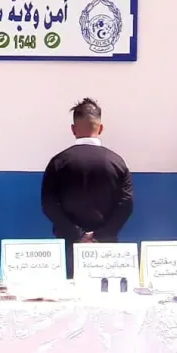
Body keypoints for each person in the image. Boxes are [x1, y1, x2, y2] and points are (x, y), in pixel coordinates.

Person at [40, 98, 134, 278]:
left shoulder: (58, 162)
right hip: (106, 247)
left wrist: (77, 234)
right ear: (101, 128)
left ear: (73, 129)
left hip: (69, 245)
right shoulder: (117, 162)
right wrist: (101, 234)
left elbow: (49, 204)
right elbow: (126, 204)